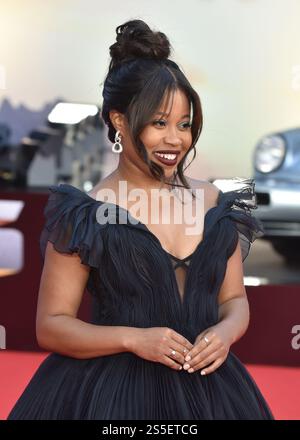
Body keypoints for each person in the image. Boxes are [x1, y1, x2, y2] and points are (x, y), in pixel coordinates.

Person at [7, 19, 274, 420]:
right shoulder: (86, 214)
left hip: (214, 393)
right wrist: (134, 339)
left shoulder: (216, 202)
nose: (176, 140)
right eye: (159, 123)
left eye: (184, 125)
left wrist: (224, 333)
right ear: (119, 120)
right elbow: (52, 325)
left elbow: (235, 300)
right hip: (111, 395)